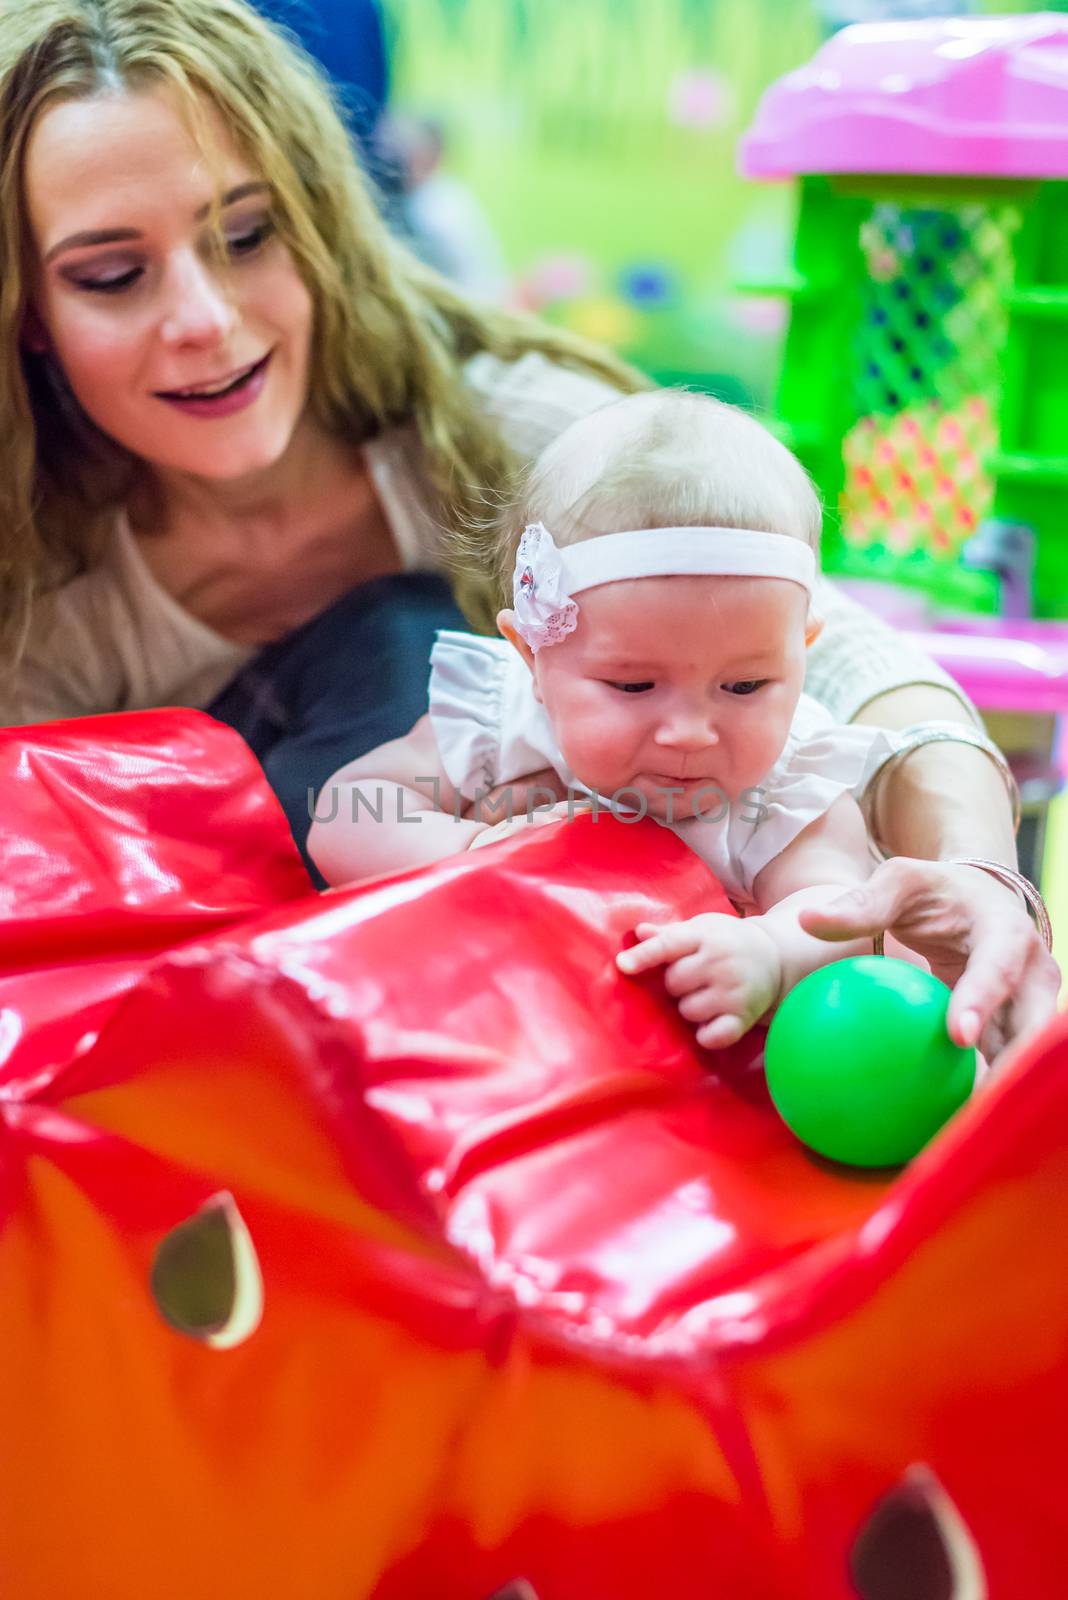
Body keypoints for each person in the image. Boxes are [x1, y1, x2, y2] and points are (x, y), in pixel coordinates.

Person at [0, 0, 1056, 1062]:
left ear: (318, 226)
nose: (206, 318)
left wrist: (970, 871)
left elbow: (844, 666)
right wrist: (475, 850)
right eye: (112, 274)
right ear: (29, 309)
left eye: (246, 234)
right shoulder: (44, 606)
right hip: (281, 1035)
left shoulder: (525, 435)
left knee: (397, 630)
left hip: (595, 1047)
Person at [309, 391, 924, 1046]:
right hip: (502, 1033)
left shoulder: (785, 793)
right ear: (534, 659)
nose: (690, 731)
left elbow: (845, 919)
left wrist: (768, 953)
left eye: (745, 684)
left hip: (682, 1077)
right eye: (634, 685)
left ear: (801, 654)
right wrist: (466, 848)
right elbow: (345, 811)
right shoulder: (501, 721)